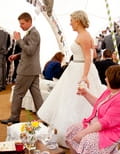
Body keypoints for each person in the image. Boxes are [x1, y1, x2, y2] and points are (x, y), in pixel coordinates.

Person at [37, 10, 105, 145]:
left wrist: (85, 75)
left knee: (76, 101)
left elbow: (89, 57)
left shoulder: (84, 36)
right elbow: (94, 55)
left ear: (78, 21)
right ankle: (66, 131)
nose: (70, 23)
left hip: (80, 69)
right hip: (76, 67)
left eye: (72, 21)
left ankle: (75, 132)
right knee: (67, 99)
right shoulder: (83, 35)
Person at [63, 65, 120, 154]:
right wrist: (85, 93)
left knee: (88, 140)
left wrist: (83, 133)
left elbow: (106, 122)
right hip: (104, 123)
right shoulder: (110, 91)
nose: (105, 79)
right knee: (72, 129)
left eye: (107, 77)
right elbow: (99, 105)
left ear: (114, 80)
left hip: (119, 131)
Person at [0, 12, 44, 124]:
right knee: (36, 94)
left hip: (27, 70)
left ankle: (14, 117)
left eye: (23, 23)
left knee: (18, 94)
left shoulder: (34, 33)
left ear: (29, 21)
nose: (21, 26)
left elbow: (30, 51)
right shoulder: (32, 33)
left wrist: (19, 40)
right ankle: (43, 116)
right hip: (32, 69)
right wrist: (17, 55)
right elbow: (29, 51)